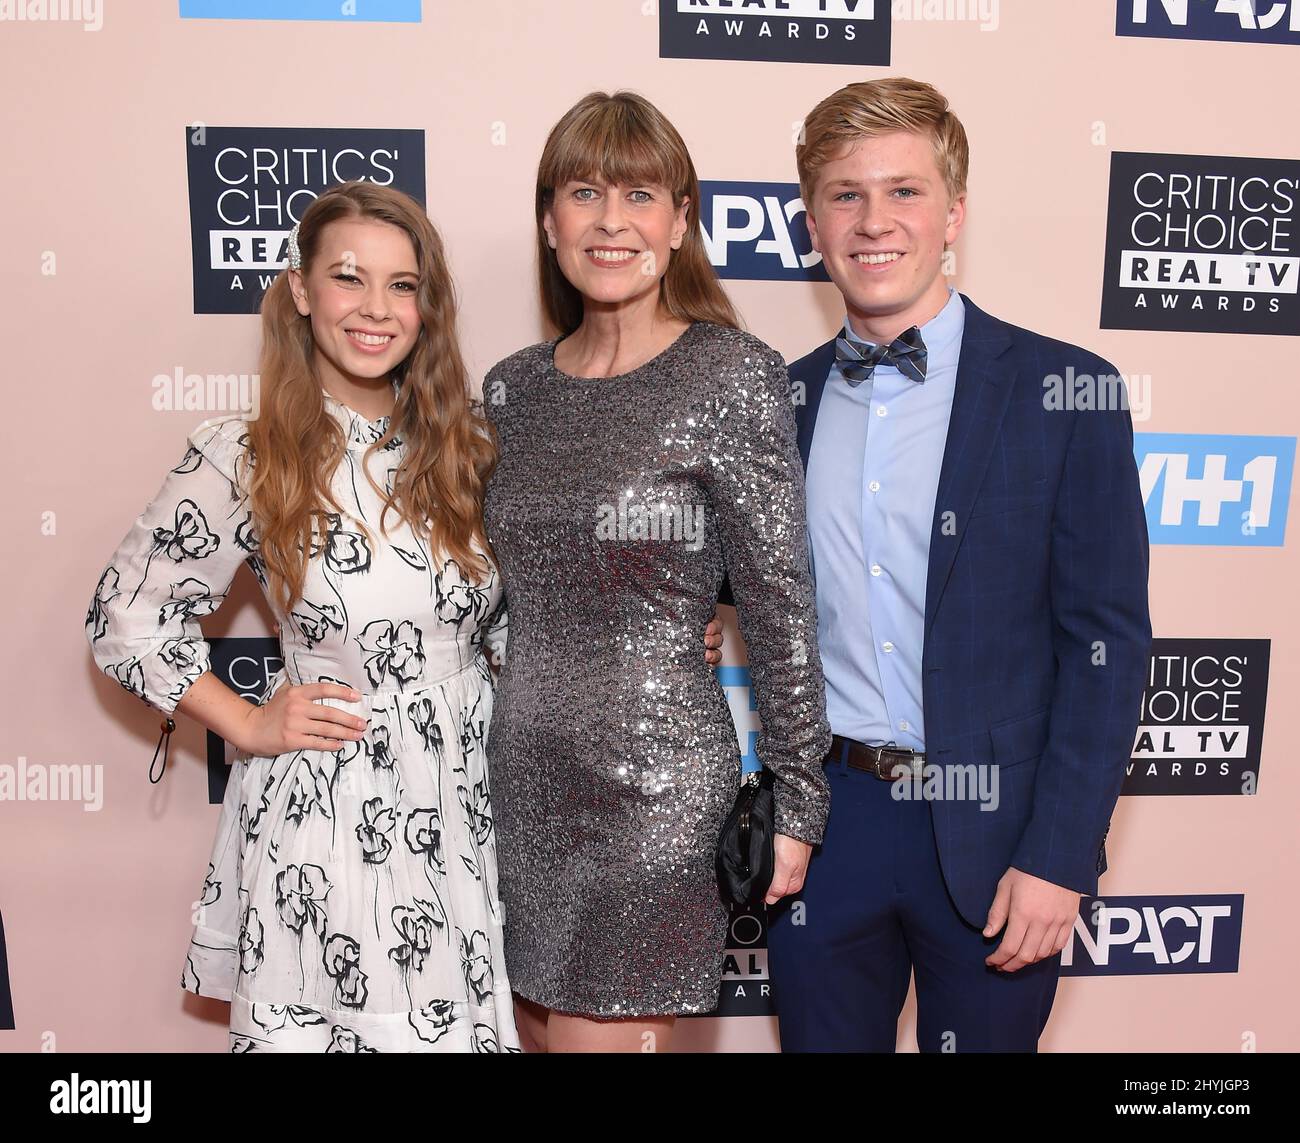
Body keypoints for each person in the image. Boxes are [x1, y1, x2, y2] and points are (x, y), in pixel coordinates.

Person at [85, 182, 521, 1052]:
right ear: (300, 290)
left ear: (428, 306)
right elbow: (123, 616)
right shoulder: (245, 452)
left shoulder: (471, 445)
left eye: (404, 286)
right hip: (330, 807)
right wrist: (245, 720)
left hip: (467, 804)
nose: (376, 309)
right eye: (349, 278)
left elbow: (517, 625)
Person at [765, 78, 1152, 1052]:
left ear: (953, 214)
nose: (873, 220)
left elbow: (1106, 643)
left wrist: (1061, 857)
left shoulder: (1064, 393)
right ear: (812, 222)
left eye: (903, 191)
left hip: (1000, 835)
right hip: (828, 830)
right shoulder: (774, 406)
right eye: (845, 195)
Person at [481, 91, 831, 1053]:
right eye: (583, 191)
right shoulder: (512, 389)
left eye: (641, 194)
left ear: (681, 222)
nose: (610, 220)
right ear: (549, 220)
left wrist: (798, 800)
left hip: (656, 789)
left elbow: (781, 601)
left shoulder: (732, 375)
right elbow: (489, 588)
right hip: (515, 779)